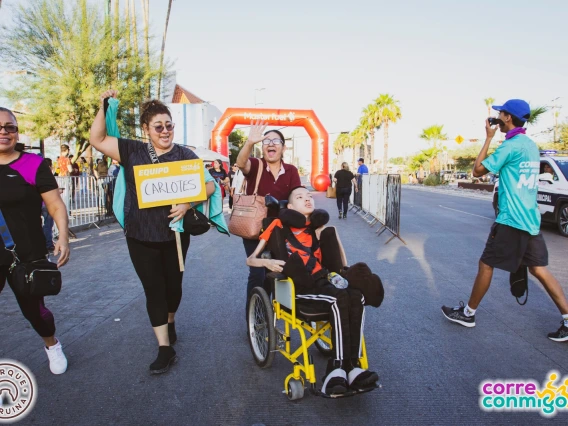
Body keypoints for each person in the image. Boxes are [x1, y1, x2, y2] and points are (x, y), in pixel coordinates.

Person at [89, 90, 216, 373]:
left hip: (175, 234)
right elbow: (96, 139)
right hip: (140, 235)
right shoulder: (132, 151)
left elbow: (209, 186)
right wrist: (103, 107)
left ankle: (170, 321)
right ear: (146, 129)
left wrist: (187, 202)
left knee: (174, 288)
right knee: (154, 290)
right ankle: (164, 348)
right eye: (158, 126)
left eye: (169, 125)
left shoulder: (184, 154)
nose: (165, 131)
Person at [442, 99, 568, 341]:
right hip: (531, 219)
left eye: (500, 114)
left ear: (508, 117)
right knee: (539, 269)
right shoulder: (530, 145)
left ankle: (468, 313)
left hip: (511, 220)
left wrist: (488, 138)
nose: (497, 117)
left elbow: (477, 171)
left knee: (486, 264)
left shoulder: (509, 147)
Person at [246, 186, 379, 395]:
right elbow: (250, 259)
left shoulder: (320, 228)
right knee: (339, 300)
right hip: (297, 287)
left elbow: (341, 262)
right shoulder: (277, 225)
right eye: (300, 197)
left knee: (357, 296)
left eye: (309, 196)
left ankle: (353, 367)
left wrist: (345, 273)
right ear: (290, 206)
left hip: (324, 282)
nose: (307, 199)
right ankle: (337, 368)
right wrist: (267, 263)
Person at [0, 106, 71, 374]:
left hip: (26, 253)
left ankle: (52, 345)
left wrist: (63, 236)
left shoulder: (33, 164)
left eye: (10, 127)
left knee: (35, 311)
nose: (4, 132)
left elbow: (54, 205)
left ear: (17, 132)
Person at [235, 120, 301, 309]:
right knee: (258, 272)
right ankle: (255, 315)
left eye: (276, 141)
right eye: (266, 141)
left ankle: (270, 309)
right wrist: (249, 142)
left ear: (283, 147)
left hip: (279, 230)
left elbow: (297, 193)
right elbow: (240, 163)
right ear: (262, 147)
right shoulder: (256, 165)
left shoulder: (291, 171)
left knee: (277, 270)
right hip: (254, 228)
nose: (271, 143)